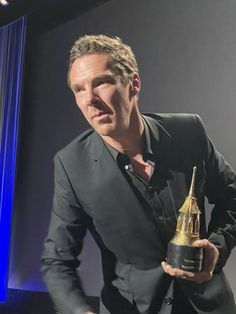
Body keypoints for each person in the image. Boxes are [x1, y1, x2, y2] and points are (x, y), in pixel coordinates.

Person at [41, 34, 236, 314]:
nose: (89, 100)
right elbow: (57, 261)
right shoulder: (71, 164)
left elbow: (232, 198)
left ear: (134, 83)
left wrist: (217, 249)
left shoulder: (189, 132)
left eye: (101, 83)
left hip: (210, 306)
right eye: (79, 89)